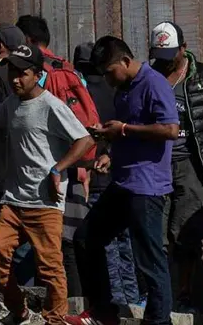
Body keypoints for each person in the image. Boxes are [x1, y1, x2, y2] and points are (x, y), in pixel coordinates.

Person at [74, 36, 180, 325]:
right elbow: (126, 133)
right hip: (123, 182)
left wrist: (124, 129)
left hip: (146, 186)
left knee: (149, 259)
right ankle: (103, 311)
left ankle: (159, 320)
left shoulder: (154, 83)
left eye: (109, 72)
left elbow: (170, 129)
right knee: (86, 238)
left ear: (124, 60)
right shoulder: (123, 89)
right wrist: (109, 150)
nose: (108, 79)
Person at [0, 43, 95, 325]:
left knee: (50, 267)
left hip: (45, 202)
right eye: (12, 72)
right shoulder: (11, 104)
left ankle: (55, 319)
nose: (15, 79)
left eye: (22, 73)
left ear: (37, 74)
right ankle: (20, 311)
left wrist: (58, 168)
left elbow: (84, 140)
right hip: (13, 201)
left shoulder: (51, 106)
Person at [146, 22, 203, 315]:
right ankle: (161, 298)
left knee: (187, 233)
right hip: (157, 165)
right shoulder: (151, 76)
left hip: (192, 165)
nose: (165, 60)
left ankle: (187, 298)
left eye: (171, 53)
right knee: (156, 235)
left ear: (183, 48)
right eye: (160, 54)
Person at [72, 41, 141, 311]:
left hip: (95, 174)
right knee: (124, 243)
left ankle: (115, 303)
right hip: (118, 172)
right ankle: (132, 300)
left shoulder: (83, 91)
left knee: (103, 246)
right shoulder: (119, 90)